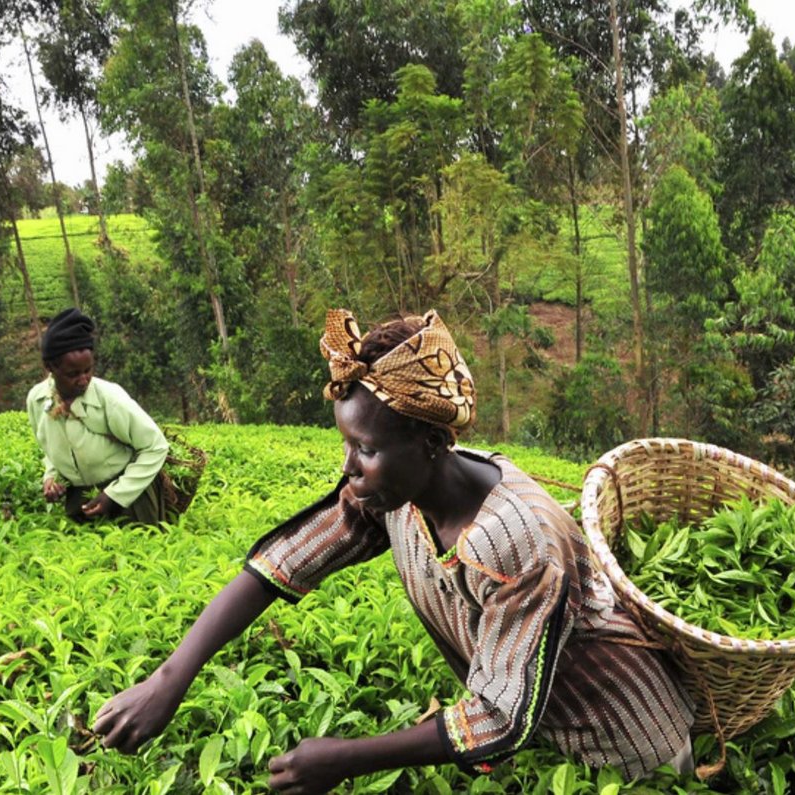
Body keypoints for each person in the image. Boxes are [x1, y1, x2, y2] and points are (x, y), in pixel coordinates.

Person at [92, 309, 695, 791]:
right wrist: (169, 679)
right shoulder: (395, 495)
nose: (349, 469)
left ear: (431, 442)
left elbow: (498, 719)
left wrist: (344, 759)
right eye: (346, 445)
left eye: (365, 450)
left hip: (628, 745)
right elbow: (288, 560)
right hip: (544, 736)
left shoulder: (518, 543)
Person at [27, 307, 172, 524]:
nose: (83, 379)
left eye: (88, 370)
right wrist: (51, 478)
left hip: (130, 497)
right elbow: (50, 448)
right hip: (80, 499)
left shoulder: (109, 399)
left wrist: (115, 495)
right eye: (73, 374)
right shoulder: (37, 400)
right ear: (50, 368)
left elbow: (156, 446)